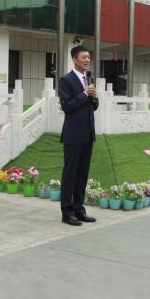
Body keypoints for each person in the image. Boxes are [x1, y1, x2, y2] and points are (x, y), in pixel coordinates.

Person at [58, 45, 99, 227]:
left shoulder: (88, 78)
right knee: (70, 174)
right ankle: (67, 213)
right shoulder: (66, 80)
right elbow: (67, 106)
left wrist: (94, 97)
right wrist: (84, 94)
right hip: (73, 135)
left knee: (82, 174)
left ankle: (79, 210)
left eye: (89, 57)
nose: (87, 60)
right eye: (84, 57)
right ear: (75, 59)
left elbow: (93, 107)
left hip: (88, 134)